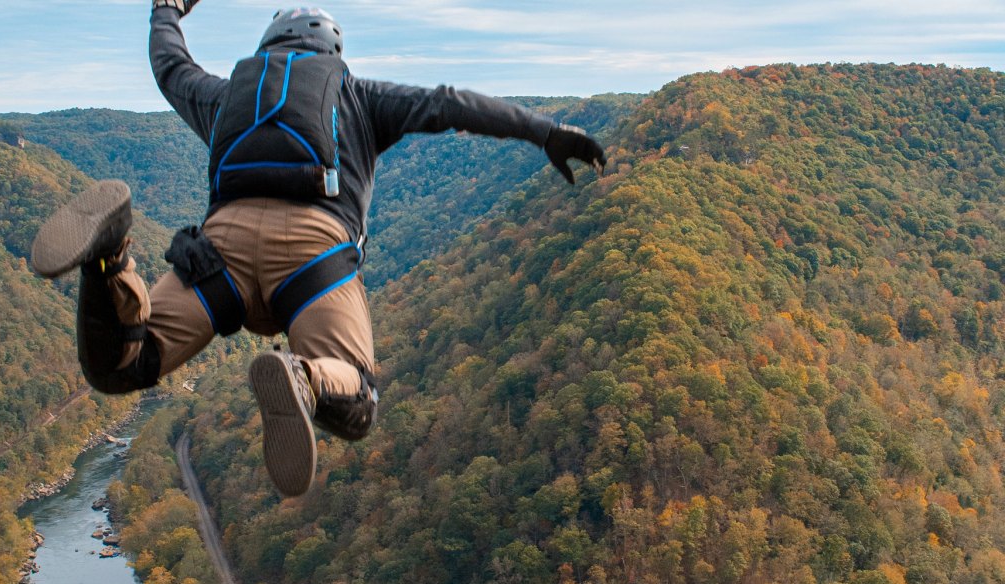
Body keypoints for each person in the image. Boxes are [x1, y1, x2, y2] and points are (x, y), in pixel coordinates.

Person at [30, 2, 605, 497]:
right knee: (357, 400)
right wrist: (543, 131)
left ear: (268, 46)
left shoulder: (228, 96)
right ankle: (304, 378)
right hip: (312, 258)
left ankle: (110, 259)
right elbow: (449, 103)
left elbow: (170, 66)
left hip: (218, 254)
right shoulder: (358, 95)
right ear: (331, 51)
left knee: (123, 365)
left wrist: (167, 9)